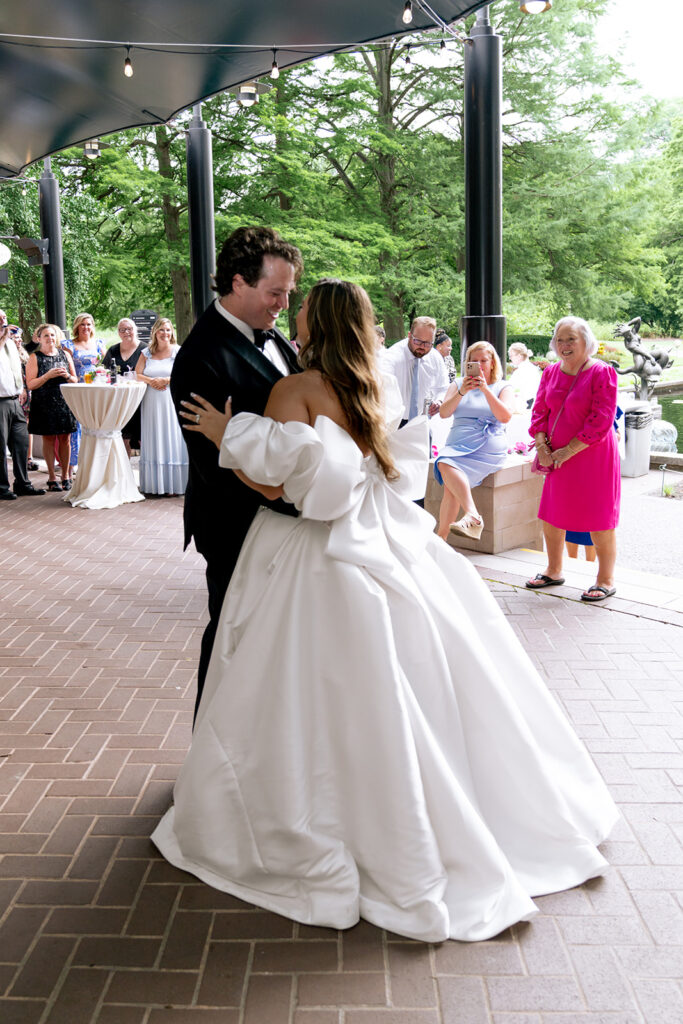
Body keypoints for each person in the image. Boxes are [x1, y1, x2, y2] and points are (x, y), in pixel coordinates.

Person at [151, 277, 618, 944]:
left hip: (310, 548)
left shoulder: (295, 390)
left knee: (293, 680)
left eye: (302, 309)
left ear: (319, 325)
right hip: (386, 537)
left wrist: (230, 435)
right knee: (413, 667)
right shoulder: (375, 383)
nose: (295, 317)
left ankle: (311, 815)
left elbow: (279, 483)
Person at [170, 225, 303, 720]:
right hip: (234, 524)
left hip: (280, 521)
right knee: (231, 632)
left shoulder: (277, 342)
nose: (282, 305)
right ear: (238, 283)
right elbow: (213, 465)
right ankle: (210, 746)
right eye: (275, 293)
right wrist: (298, 498)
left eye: (288, 294)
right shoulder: (200, 356)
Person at [527, 316, 620, 602]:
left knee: (599, 516)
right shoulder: (551, 372)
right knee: (552, 513)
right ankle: (554, 570)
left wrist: (569, 450)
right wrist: (542, 445)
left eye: (571, 339)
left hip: (592, 456)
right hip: (555, 454)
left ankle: (605, 579)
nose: (564, 345)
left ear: (586, 342)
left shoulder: (601, 372)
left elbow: (601, 419)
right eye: (560, 339)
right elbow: (540, 410)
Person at [434, 341, 514, 541]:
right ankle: (444, 537)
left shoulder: (503, 386)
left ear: (492, 363)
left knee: (444, 462)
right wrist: (462, 392)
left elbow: (505, 417)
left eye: (483, 361)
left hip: (487, 445)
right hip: (458, 443)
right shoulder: (458, 384)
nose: (479, 365)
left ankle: (457, 526)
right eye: (474, 361)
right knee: (450, 489)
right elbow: (444, 413)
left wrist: (486, 390)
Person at [135, 318, 188, 495]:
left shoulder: (178, 351)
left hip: (171, 399)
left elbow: (186, 374)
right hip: (151, 400)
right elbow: (137, 374)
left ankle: (174, 485)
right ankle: (155, 485)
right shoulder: (146, 352)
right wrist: (152, 381)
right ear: (155, 332)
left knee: (172, 435)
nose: (165, 334)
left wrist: (166, 380)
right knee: (154, 435)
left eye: (168, 330)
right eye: (161, 330)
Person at [25, 324, 77, 491]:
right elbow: (31, 384)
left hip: (64, 401)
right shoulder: (35, 357)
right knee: (48, 439)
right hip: (44, 402)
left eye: (53, 335)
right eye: (46, 335)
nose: (50, 338)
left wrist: (66, 375)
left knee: (65, 438)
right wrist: (47, 376)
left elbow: (75, 379)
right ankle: (52, 477)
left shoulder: (64, 354)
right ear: (39, 339)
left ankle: (65, 475)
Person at [0, 311, 45, 499]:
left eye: (3, 318)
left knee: (21, 442)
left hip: (15, 400)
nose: (3, 321)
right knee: (0, 447)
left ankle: (23, 483)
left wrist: (22, 389)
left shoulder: (10, 342)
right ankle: (2, 488)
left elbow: (15, 367)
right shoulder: (4, 341)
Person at [63, 313, 106, 480]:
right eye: (82, 325)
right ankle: (73, 466)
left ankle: (94, 464)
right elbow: (65, 365)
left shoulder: (99, 343)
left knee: (94, 423)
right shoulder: (69, 345)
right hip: (77, 388)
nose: (86, 327)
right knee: (76, 427)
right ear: (77, 327)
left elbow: (107, 363)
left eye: (88, 324)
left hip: (96, 387)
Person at [383, 316, 448, 425]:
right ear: (409, 336)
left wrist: (439, 401)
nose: (422, 347)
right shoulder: (391, 357)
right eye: (418, 341)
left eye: (428, 343)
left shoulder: (435, 357)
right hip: (394, 421)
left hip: (423, 419)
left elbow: (443, 388)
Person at [102, 318, 146, 454]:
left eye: (129, 329)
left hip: (140, 400)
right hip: (120, 400)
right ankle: (124, 473)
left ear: (135, 330)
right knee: (122, 437)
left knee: (142, 436)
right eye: (122, 330)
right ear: (118, 333)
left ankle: (146, 471)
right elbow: (105, 372)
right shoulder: (113, 350)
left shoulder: (145, 349)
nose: (126, 332)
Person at [508, 342, 541, 409]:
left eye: (511, 356)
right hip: (533, 403)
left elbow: (508, 388)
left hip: (525, 405)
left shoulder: (521, 371)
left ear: (519, 356)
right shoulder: (533, 368)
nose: (510, 358)